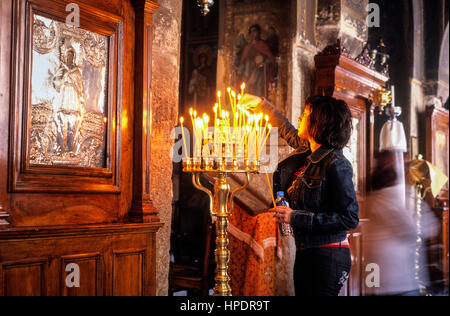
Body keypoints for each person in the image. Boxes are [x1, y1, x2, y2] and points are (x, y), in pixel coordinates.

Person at [242, 94, 359, 296]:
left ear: (319, 123)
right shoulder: (309, 153)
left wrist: (294, 217)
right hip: (307, 251)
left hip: (328, 254)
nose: (299, 118)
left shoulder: (337, 164)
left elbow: (350, 218)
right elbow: (287, 129)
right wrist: (263, 106)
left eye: (305, 114)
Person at [236, 24, 275, 98]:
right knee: (247, 92)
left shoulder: (263, 45)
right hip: (247, 74)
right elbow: (243, 62)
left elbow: (270, 59)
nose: (253, 34)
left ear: (259, 33)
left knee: (258, 93)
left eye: (255, 31)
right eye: (251, 32)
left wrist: (263, 63)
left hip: (259, 73)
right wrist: (239, 71)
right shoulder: (247, 47)